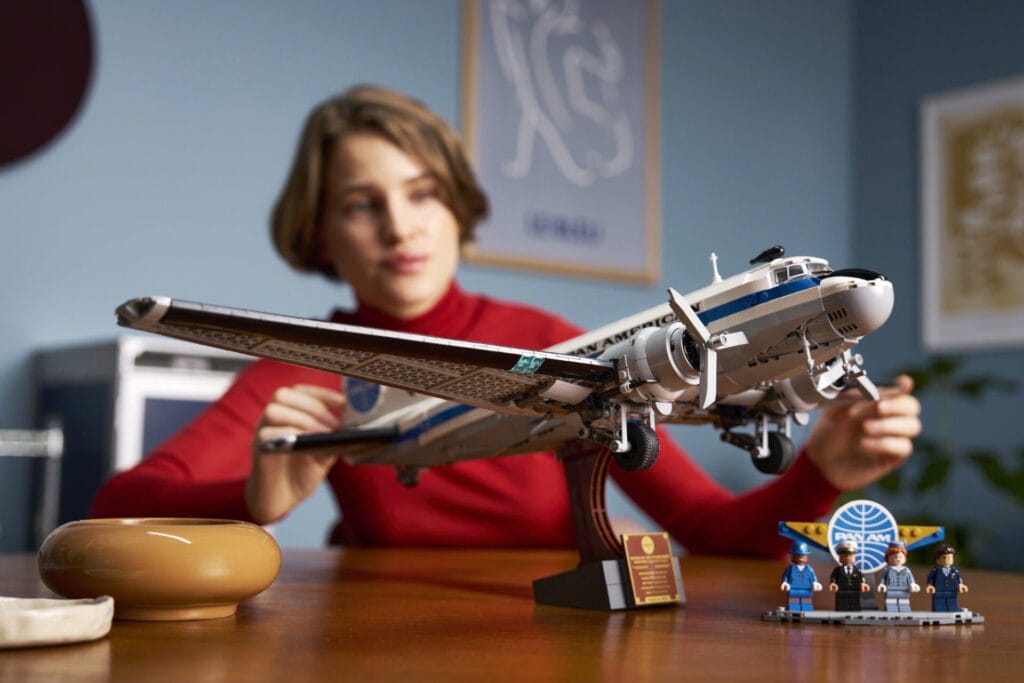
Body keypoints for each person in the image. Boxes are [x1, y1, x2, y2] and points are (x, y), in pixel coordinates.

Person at [90, 85, 922, 557]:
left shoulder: (546, 339)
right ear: (318, 234)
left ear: (457, 206)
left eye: (423, 193)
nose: (400, 227)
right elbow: (116, 508)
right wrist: (249, 497)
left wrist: (823, 470)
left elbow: (712, 528)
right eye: (361, 204)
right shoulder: (309, 367)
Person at [877, 541, 920, 612]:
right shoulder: (887, 569)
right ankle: (891, 612)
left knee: (904, 603)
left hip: (904, 590)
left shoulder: (906, 570)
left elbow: (910, 578)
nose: (898, 558)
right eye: (895, 556)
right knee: (890, 603)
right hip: (890, 589)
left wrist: (913, 584)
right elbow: (882, 578)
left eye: (901, 557)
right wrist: (882, 584)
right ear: (888, 558)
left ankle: (904, 612)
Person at [780, 541, 822, 611]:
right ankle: (794, 610)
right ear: (793, 556)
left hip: (807, 589)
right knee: (793, 602)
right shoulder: (790, 568)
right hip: (793, 589)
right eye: (798, 556)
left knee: (806, 602)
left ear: (806, 556)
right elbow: (785, 576)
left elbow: (813, 577)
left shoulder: (809, 569)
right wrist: (785, 582)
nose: (801, 558)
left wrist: (815, 583)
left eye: (803, 556)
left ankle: (807, 610)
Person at [829, 541, 870, 610]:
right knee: (842, 605)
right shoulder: (837, 570)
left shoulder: (857, 570)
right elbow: (833, 577)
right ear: (840, 557)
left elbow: (861, 578)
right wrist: (833, 583)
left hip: (855, 591)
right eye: (845, 556)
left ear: (854, 557)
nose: (848, 558)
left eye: (851, 556)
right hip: (841, 591)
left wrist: (863, 583)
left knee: (855, 605)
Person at [926, 544, 969, 612]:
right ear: (938, 560)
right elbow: (930, 577)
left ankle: (952, 610)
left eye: (950, 557)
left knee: (952, 603)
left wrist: (961, 585)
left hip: (952, 591)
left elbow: (958, 578)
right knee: (939, 604)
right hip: (939, 591)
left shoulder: (954, 570)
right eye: (944, 557)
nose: (948, 559)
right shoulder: (936, 570)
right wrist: (930, 585)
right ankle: (940, 611)